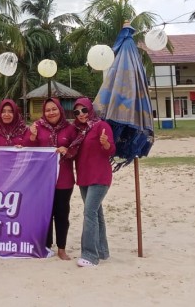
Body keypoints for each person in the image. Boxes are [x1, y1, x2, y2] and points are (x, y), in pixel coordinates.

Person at [25, 98, 77, 260]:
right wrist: (32, 137)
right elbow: (29, 150)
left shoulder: (70, 128)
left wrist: (67, 150)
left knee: (62, 214)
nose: (51, 112)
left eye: (54, 109)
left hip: (64, 179)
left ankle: (61, 248)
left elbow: (76, 149)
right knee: (44, 214)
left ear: (60, 110)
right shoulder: (37, 126)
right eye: (47, 110)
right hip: (42, 180)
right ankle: (46, 246)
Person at [69, 98, 116, 267]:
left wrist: (105, 144)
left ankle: (90, 255)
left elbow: (111, 149)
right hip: (84, 178)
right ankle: (102, 251)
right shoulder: (78, 130)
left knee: (89, 213)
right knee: (97, 214)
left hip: (100, 177)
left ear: (90, 109)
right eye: (77, 112)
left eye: (84, 110)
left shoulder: (101, 126)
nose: (81, 114)